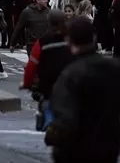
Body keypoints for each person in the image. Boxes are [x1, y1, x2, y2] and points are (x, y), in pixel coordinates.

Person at [45, 16, 120, 163]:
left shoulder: (71, 75)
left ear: (69, 40)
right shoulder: (114, 68)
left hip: (77, 150)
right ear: (93, 38)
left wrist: (52, 137)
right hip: (108, 147)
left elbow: (66, 119)